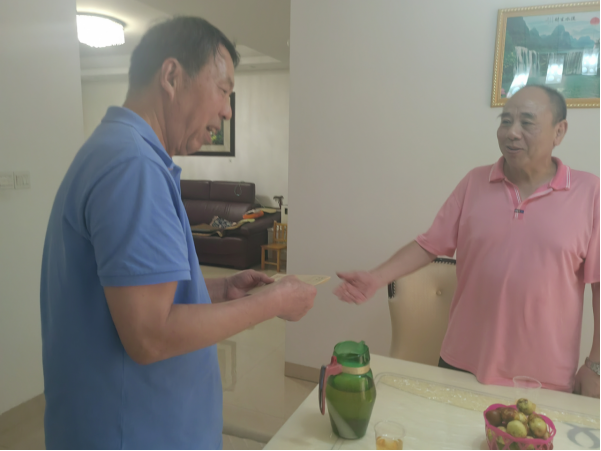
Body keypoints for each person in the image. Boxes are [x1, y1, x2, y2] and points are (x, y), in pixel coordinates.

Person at [40, 17, 316, 450]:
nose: (227, 111)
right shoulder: (134, 167)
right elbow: (151, 335)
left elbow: (134, 294)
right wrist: (273, 302)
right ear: (171, 76)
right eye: (223, 90)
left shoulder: (115, 151)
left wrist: (219, 289)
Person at [335, 86, 600, 399]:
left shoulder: (590, 193)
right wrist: (376, 278)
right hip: (462, 364)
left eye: (527, 122)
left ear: (559, 131)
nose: (512, 132)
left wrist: (595, 365)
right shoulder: (475, 182)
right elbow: (429, 244)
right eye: (505, 121)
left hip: (542, 378)